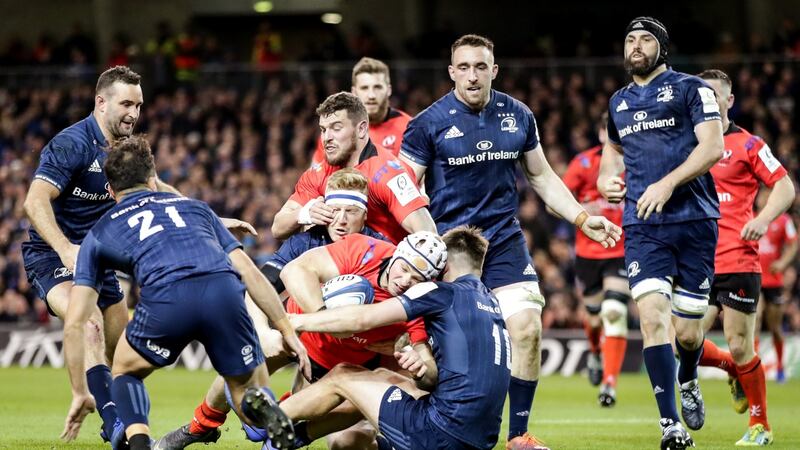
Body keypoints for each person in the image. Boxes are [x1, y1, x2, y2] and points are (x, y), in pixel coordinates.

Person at [399, 34, 621, 450]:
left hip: (500, 243)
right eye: (463, 67)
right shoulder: (428, 123)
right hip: (447, 249)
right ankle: (430, 426)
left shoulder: (517, 115)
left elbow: (541, 176)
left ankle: (518, 435)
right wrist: (413, 245)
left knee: (527, 329)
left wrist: (581, 217)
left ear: (494, 71)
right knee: (439, 352)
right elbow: (404, 189)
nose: (472, 75)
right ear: (451, 72)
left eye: (480, 66)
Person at [60, 136, 310, 450]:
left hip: (168, 299)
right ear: (153, 182)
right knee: (246, 392)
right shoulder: (196, 209)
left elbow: (75, 322)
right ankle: (262, 406)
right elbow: (249, 272)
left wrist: (80, 390)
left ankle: (138, 444)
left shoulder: (99, 232)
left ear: (110, 191)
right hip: (224, 292)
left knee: (124, 370)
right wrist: (287, 329)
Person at [153, 168, 390, 449]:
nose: (340, 220)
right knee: (245, 356)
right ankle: (199, 427)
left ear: (365, 214)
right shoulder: (306, 241)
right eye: (334, 209)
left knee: (347, 444)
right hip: (300, 337)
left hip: (352, 359)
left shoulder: (381, 250)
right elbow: (258, 287)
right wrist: (264, 333)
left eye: (351, 211)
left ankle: (294, 427)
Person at [597, 17, 725, 449]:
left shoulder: (692, 88)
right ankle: (671, 425)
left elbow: (713, 146)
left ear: (662, 47)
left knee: (687, 334)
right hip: (642, 224)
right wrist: (606, 179)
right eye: (629, 38)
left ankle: (688, 376)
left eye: (645, 39)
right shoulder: (617, 102)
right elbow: (611, 151)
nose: (635, 45)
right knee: (653, 320)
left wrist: (667, 182)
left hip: (694, 220)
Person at [278, 226, 511, 450]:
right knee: (379, 379)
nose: (407, 280)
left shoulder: (443, 292)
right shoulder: (492, 304)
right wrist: (421, 369)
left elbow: (363, 319)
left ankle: (269, 420)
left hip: (437, 432)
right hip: (481, 440)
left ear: (442, 268)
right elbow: (431, 377)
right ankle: (297, 436)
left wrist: (299, 321)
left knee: (344, 374)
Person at [21, 66, 146, 447]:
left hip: (97, 258)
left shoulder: (127, 151)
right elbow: (34, 199)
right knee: (86, 320)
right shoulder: (71, 143)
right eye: (126, 103)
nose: (134, 113)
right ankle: (116, 427)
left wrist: (207, 216)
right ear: (101, 102)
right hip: (52, 255)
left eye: (139, 105)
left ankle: (111, 409)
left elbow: (156, 189)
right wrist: (64, 247)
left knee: (120, 352)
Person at [693, 68, 793, 446]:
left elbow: (784, 186)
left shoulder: (749, 144)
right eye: (702, 95)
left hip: (738, 258)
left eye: (715, 95)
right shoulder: (688, 143)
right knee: (681, 342)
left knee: (740, 343)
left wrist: (764, 219)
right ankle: (732, 369)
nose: (709, 101)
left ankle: (761, 426)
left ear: (729, 100)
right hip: (696, 261)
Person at [272, 92, 436, 245]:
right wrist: (304, 214)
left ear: (362, 129)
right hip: (342, 264)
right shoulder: (318, 173)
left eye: (336, 128)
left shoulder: (388, 173)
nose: (326, 138)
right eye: (323, 129)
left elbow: (428, 234)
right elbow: (277, 228)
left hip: (386, 266)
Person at [561, 113, 630, 407]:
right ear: (602, 134)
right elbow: (557, 203)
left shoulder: (636, 162)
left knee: (614, 312)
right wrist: (582, 209)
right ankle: (595, 352)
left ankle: (609, 384)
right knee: (593, 317)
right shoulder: (584, 163)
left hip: (622, 250)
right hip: (588, 252)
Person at [311, 57, 411, 163]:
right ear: (354, 92)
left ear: (389, 90)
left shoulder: (409, 129)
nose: (371, 95)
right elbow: (316, 174)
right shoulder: (335, 131)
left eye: (377, 87)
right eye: (364, 88)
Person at [756, 208, 797, 383]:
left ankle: (780, 367)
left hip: (774, 280)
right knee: (754, 320)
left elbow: (793, 243)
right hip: (754, 278)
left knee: (775, 328)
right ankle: (753, 369)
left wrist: (783, 262)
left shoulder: (784, 220)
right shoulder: (750, 213)